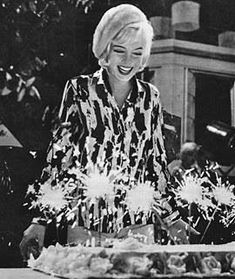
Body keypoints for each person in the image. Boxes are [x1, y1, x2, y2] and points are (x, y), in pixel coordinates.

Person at [20, 4, 198, 260]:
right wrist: (40, 220)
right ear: (105, 50)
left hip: (138, 231)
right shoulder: (79, 91)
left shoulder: (151, 97)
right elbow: (59, 159)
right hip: (86, 230)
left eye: (137, 53)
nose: (128, 61)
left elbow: (156, 166)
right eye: (120, 51)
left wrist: (172, 220)